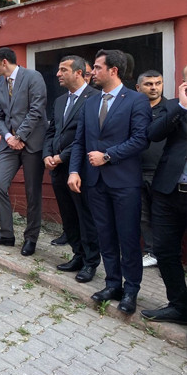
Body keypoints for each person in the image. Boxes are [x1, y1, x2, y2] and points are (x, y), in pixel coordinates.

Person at [68, 49, 151, 315]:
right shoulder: (90, 103)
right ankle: (113, 283)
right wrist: (73, 171)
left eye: (97, 68)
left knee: (127, 238)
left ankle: (131, 290)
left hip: (124, 182)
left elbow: (141, 139)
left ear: (113, 71)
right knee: (105, 236)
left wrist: (108, 156)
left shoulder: (136, 100)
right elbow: (79, 141)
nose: (92, 72)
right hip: (94, 182)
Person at [43, 55, 100, 283]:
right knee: (68, 217)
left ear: (79, 73)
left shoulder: (94, 98)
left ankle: (90, 262)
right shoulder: (59, 101)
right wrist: (48, 155)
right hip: (57, 169)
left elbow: (86, 137)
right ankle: (78, 255)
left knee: (84, 217)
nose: (58, 74)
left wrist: (60, 157)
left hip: (80, 170)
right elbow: (51, 131)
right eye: (59, 69)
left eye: (63, 69)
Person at [0, 47, 47, 257]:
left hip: (32, 143)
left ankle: (31, 238)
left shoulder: (33, 77)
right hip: (9, 144)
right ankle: (6, 234)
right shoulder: (0, 87)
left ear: (4, 62)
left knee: (32, 193)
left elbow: (37, 109)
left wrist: (19, 136)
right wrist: (9, 138)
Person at [140, 68, 187, 325]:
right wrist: (181, 106)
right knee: (166, 253)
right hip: (169, 192)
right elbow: (153, 134)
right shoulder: (174, 107)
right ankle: (179, 307)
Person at [136, 70, 166, 268]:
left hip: (162, 172)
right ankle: (151, 252)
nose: (154, 87)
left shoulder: (171, 108)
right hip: (136, 171)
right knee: (143, 215)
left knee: (164, 216)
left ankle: (165, 256)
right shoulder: (134, 109)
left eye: (158, 83)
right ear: (138, 88)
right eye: (148, 84)